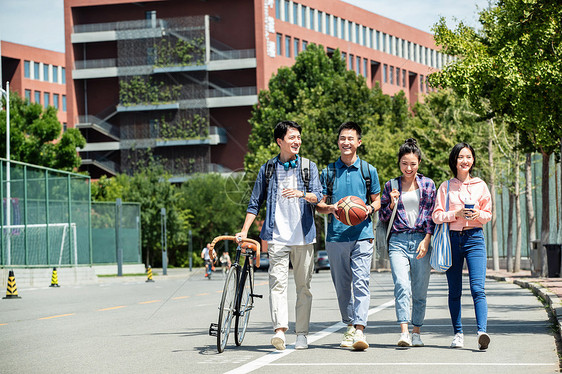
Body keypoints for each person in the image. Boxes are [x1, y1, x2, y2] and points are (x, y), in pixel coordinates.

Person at [236, 120, 322, 351]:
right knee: (277, 285)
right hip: (276, 237)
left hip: (303, 237)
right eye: (292, 137)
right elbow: (255, 203)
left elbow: (318, 197)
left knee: (303, 287)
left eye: (299, 137)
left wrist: (301, 194)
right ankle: (280, 332)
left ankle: (302, 333)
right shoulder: (268, 169)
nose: (297, 141)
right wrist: (244, 231)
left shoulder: (308, 166)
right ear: (279, 141)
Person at [316, 121, 381, 351]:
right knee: (343, 286)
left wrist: (369, 210)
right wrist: (332, 208)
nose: (346, 142)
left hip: (363, 234)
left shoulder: (368, 170)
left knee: (361, 281)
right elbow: (319, 205)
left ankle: (360, 329)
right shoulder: (328, 172)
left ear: (358, 142)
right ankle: (350, 325)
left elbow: (377, 200)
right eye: (342, 138)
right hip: (336, 236)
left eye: (350, 138)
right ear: (338, 142)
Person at [432, 142, 492, 350]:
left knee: (478, 288)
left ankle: (482, 331)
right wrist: (454, 214)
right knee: (454, 290)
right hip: (452, 240)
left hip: (475, 238)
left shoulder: (481, 185)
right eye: (460, 157)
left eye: (468, 157)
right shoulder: (445, 187)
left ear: (473, 160)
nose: (464, 161)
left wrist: (478, 215)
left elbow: (488, 214)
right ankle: (458, 333)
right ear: (454, 161)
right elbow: (436, 216)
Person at [379, 139, 436, 347]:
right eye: (404, 163)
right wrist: (392, 203)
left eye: (412, 163)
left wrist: (427, 240)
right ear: (399, 163)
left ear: (419, 162)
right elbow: (384, 217)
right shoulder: (390, 186)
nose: (408, 168)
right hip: (398, 241)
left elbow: (432, 216)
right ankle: (404, 332)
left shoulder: (429, 185)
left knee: (420, 291)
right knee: (402, 285)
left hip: (422, 240)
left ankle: (417, 332)